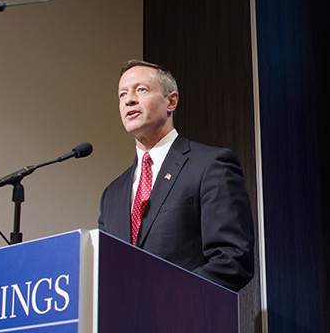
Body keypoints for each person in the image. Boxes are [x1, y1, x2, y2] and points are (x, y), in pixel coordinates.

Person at [98, 59, 255, 291]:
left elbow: (232, 259)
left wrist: (161, 297)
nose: (129, 100)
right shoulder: (112, 194)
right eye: (122, 94)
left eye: (141, 90)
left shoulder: (211, 165)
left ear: (171, 101)